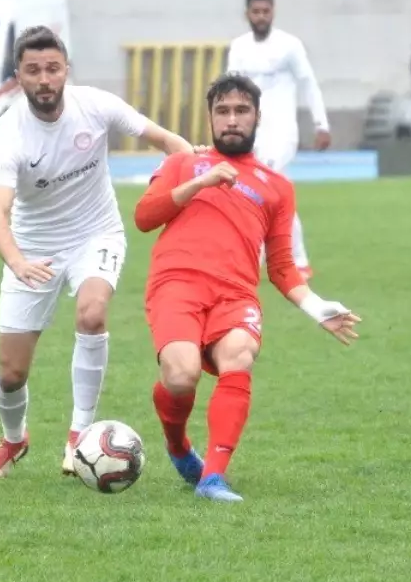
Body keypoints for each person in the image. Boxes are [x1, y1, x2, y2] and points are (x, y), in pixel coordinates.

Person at [0, 25, 201, 480]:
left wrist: (196, 169)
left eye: (53, 69)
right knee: (11, 373)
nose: (45, 79)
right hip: (33, 248)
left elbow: (167, 141)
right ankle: (14, 439)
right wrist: (18, 262)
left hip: (96, 235)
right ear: (18, 77)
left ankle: (79, 437)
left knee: (92, 314)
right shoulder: (9, 133)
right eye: (33, 70)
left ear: (66, 72)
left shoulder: (94, 105)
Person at [133, 72, 361, 503]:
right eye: (223, 111)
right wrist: (199, 183)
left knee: (239, 355)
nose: (232, 120)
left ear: (257, 117)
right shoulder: (182, 164)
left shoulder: (277, 187)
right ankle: (178, 444)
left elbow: (280, 267)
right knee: (180, 376)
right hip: (176, 284)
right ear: (211, 118)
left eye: (241, 111)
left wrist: (317, 307)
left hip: (236, 295)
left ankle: (212, 478)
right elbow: (144, 217)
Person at [226, 0, 330, 281]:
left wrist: (321, 123)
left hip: (282, 131)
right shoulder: (239, 47)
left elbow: (308, 83)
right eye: (256, 12)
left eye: (266, 11)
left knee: (265, 185)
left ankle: (278, 258)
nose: (261, 17)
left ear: (273, 12)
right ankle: (295, 260)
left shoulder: (289, 45)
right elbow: (230, 89)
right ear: (247, 14)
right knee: (271, 191)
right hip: (251, 131)